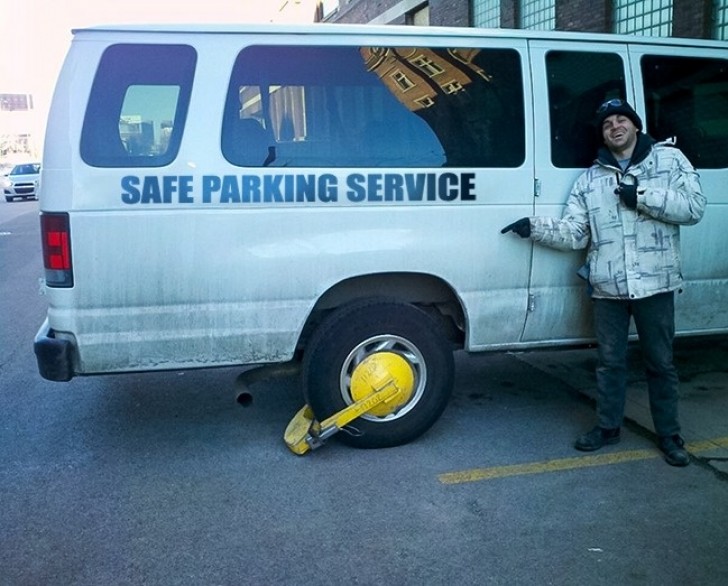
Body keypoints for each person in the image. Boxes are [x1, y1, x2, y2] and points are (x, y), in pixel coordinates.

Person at [501, 99, 706, 467]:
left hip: (655, 285)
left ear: (636, 126)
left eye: (622, 120)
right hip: (608, 288)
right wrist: (535, 227)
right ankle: (608, 427)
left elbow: (693, 208)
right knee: (610, 363)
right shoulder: (590, 180)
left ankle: (670, 436)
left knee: (660, 363)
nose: (615, 126)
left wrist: (639, 196)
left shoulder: (668, 161)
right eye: (608, 123)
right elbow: (576, 234)